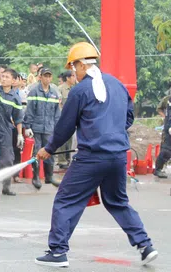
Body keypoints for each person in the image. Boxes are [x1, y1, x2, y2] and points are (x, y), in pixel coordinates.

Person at [34, 42, 158, 267]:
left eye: (73, 68)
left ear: (82, 65)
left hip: (91, 157)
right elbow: (128, 118)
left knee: (66, 200)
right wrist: (111, 131)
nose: (73, 73)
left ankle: (58, 251)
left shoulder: (79, 91)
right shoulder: (117, 85)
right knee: (118, 202)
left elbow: (65, 126)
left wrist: (48, 148)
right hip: (119, 155)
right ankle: (145, 245)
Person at [0, 68, 24, 195]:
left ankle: (6, 186)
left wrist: (19, 135)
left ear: (13, 80)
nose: (3, 79)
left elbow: (18, 118)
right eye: (2, 76)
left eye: (7, 77)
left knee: (7, 159)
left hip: (6, 130)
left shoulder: (16, 98)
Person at [24, 67, 61, 188]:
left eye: (49, 76)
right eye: (45, 76)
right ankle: (36, 177)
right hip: (36, 127)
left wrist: (57, 128)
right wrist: (27, 126)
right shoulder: (34, 91)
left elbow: (57, 113)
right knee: (37, 152)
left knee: (50, 151)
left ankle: (49, 176)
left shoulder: (54, 93)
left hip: (49, 128)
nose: (48, 78)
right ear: (40, 77)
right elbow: (29, 111)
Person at [56, 70, 77, 169]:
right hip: (62, 118)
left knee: (71, 140)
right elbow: (58, 104)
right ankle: (62, 160)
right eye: (73, 76)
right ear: (68, 78)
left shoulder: (75, 89)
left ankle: (69, 159)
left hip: (72, 118)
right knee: (62, 140)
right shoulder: (60, 89)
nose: (74, 78)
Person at [154, 93, 171, 178]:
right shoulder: (168, 99)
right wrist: (165, 117)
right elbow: (159, 109)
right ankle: (158, 169)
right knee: (166, 150)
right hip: (169, 127)